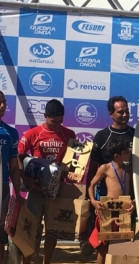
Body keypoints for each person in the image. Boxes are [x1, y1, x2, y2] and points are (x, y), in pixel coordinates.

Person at [81, 95, 139, 257]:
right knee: (103, 244)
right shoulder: (102, 136)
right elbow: (93, 169)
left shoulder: (136, 136)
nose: (125, 115)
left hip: (130, 202)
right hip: (106, 201)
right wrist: (90, 200)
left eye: (127, 111)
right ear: (111, 114)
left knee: (123, 244)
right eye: (120, 112)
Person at [8, 99, 76, 264]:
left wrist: (72, 173)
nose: (57, 125)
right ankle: (27, 260)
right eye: (54, 121)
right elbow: (17, 157)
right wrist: (26, 178)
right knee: (31, 228)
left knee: (53, 228)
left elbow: (73, 161)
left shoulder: (70, 134)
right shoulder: (32, 134)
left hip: (57, 190)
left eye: (60, 121)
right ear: (45, 116)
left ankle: (47, 261)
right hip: (36, 191)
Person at [87, 138, 136, 264]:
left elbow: (136, 191)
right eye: (126, 152)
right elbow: (91, 185)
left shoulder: (129, 170)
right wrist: (93, 201)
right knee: (103, 246)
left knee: (122, 245)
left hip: (125, 210)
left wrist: (134, 202)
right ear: (116, 155)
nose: (129, 153)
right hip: (108, 209)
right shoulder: (105, 168)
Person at [0, 91, 22, 264]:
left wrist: (18, 194)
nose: (2, 106)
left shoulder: (10, 133)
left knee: (1, 232)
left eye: (4, 102)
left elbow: (14, 166)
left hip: (3, 188)